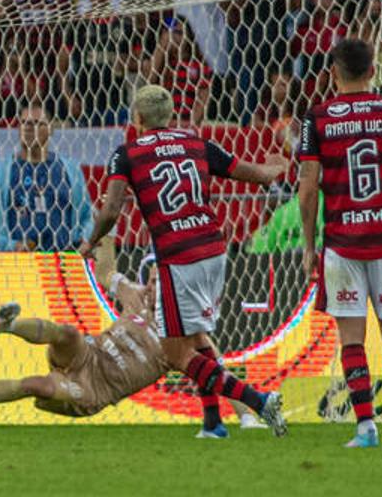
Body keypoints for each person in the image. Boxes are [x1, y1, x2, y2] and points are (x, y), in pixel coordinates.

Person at [77, 84, 290, 439]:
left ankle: (260, 400)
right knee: (195, 338)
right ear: (171, 116)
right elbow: (252, 173)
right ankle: (213, 423)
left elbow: (112, 208)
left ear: (138, 119)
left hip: (179, 258)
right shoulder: (197, 144)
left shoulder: (126, 154)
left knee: (176, 354)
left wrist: (92, 241)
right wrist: (274, 168)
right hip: (214, 251)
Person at [0, 238, 286, 434]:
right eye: (154, 278)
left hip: (96, 391)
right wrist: (105, 234)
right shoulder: (135, 297)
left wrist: (245, 414)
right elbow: (107, 273)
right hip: (88, 356)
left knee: (38, 385)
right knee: (68, 333)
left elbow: (215, 371)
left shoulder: (184, 333)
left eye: (163, 281)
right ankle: (6, 325)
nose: (156, 286)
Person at [296, 37, 382, 449]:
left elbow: (308, 188)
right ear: (373, 70)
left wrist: (308, 245)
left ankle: (365, 427)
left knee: (352, 338)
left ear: (333, 73)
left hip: (341, 243)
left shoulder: (317, 118)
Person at [0, 105, 92, 254]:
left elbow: (87, 217)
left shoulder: (70, 170)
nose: (28, 128)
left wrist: (86, 239)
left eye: (36, 123)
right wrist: (11, 245)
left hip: (62, 263)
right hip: (18, 267)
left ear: (50, 128)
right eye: (24, 123)